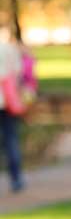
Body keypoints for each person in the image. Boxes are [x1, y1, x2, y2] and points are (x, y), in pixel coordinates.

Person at [0, 34, 25, 193]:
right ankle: (16, 178)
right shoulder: (8, 49)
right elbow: (17, 74)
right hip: (7, 101)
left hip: (6, 101)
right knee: (11, 139)